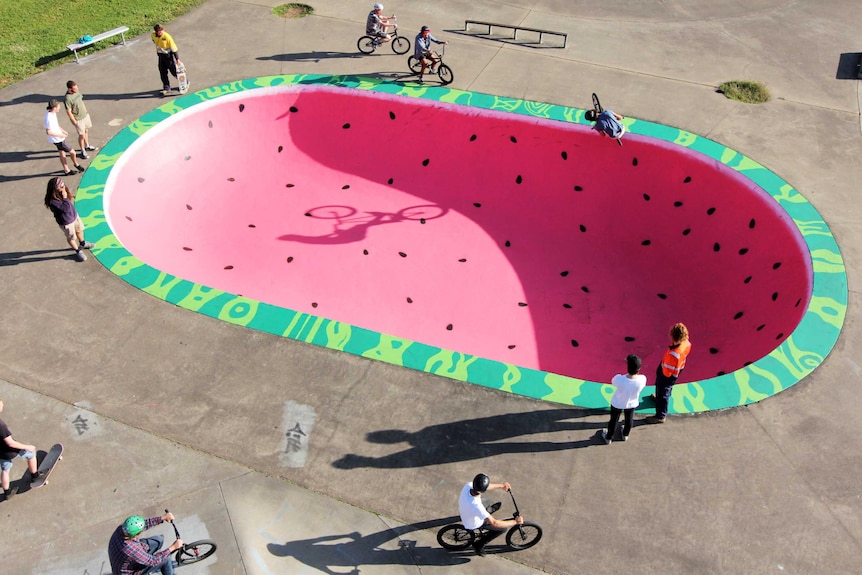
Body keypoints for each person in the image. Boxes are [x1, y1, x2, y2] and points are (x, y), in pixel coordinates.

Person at [458, 473, 524, 556]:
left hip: (464, 508)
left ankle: (488, 511)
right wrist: (515, 522)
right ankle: (479, 545)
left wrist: (502, 485)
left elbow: (485, 487)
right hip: (473, 523)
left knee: (485, 503)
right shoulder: (477, 506)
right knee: (502, 529)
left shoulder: (468, 486)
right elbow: (495, 523)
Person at [108, 512, 183, 575]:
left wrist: (162, 518)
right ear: (136, 534)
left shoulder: (122, 529)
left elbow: (143, 525)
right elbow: (153, 561)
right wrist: (173, 547)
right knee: (166, 559)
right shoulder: (132, 549)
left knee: (158, 540)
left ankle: (149, 558)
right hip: (131, 572)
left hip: (121, 560)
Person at [646, 323, 692, 424]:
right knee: (666, 388)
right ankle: (659, 398)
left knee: (664, 389)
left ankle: (661, 415)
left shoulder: (673, 354)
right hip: (679, 368)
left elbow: (667, 373)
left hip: (667, 374)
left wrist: (662, 372)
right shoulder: (686, 343)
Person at [43, 176, 94, 262]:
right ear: (55, 189)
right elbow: (65, 209)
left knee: (79, 230)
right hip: (66, 222)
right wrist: (65, 198)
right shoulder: (53, 202)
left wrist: (66, 196)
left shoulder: (62, 192)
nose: (64, 187)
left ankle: (83, 243)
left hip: (74, 216)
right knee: (71, 237)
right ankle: (77, 251)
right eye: (61, 186)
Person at [600, 354, 647, 444]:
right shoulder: (642, 379)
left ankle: (609, 437)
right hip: (632, 403)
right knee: (629, 419)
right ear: (639, 369)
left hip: (617, 403)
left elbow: (613, 382)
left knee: (614, 420)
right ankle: (625, 434)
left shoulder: (619, 379)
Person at [0, 398, 40, 501]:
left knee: (5, 470)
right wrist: (28, 447)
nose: (2, 406)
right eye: (1, 405)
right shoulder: (1, 426)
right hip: (10, 451)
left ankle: (7, 493)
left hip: (1, 453)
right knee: (31, 454)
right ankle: (35, 475)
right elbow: (10, 443)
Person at [44, 99, 85, 175]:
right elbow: (48, 132)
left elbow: (55, 125)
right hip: (58, 140)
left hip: (58, 138)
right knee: (72, 152)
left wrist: (62, 130)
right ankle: (76, 164)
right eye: (58, 106)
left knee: (62, 152)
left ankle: (67, 170)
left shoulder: (52, 113)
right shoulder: (48, 118)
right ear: (54, 107)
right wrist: (61, 135)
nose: (59, 107)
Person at [64, 81, 98, 159]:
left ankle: (87, 146)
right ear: (69, 89)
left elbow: (81, 101)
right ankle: (82, 150)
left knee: (86, 131)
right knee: (81, 135)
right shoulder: (67, 98)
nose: (76, 89)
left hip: (84, 115)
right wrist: (74, 121)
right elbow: (68, 111)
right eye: (74, 89)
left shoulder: (77, 92)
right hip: (78, 119)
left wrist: (86, 111)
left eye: (76, 88)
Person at [151, 24, 182, 96]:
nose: (161, 32)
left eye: (162, 30)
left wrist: (177, 59)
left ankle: (184, 82)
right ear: (156, 32)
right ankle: (167, 88)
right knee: (162, 72)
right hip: (161, 57)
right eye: (160, 31)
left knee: (174, 72)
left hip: (168, 57)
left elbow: (174, 48)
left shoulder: (167, 37)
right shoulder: (153, 35)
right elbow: (154, 40)